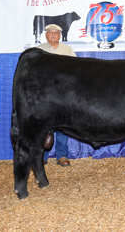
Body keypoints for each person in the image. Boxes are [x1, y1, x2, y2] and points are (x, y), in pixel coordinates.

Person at [37, 24, 76, 167]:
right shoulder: (39, 51)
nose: (53, 34)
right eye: (50, 32)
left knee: (62, 126)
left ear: (60, 35)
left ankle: (62, 155)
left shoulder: (68, 50)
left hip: (64, 94)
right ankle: (42, 155)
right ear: (46, 35)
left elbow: (75, 71)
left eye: (56, 32)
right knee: (45, 126)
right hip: (45, 94)